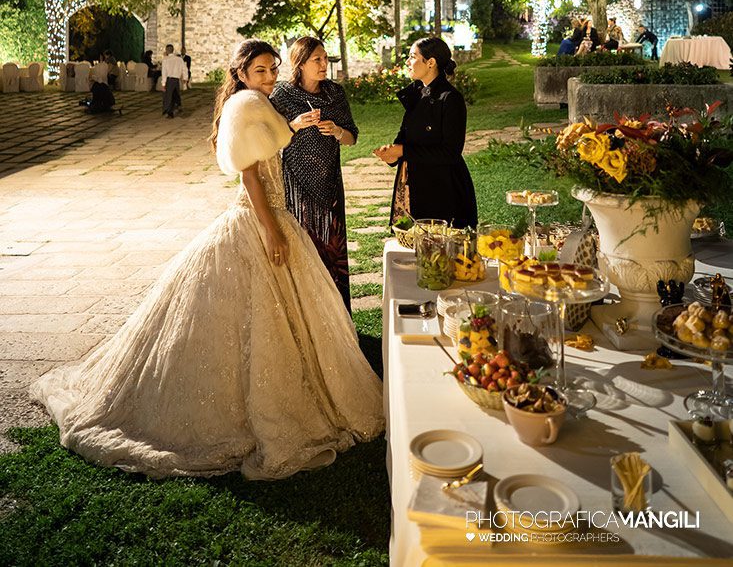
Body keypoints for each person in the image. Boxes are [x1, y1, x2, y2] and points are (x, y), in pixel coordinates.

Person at [30, 39, 384, 480]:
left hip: (277, 214)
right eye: (260, 71)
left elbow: (276, 144)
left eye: (273, 69)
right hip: (259, 218)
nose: (270, 77)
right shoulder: (245, 105)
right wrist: (272, 229)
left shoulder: (258, 101)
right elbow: (251, 174)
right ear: (240, 74)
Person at [270, 36, 358, 311]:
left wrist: (336, 131)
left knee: (332, 253)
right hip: (296, 187)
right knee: (303, 253)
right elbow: (271, 139)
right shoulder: (282, 96)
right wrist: (294, 125)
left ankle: (337, 319)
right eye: (317, 59)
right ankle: (306, 316)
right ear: (300, 63)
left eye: (325, 58)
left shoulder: (335, 94)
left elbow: (352, 138)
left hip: (330, 184)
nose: (324, 64)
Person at [375, 37, 478, 228]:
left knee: (440, 252)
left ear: (431, 63)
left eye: (413, 57)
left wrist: (403, 151)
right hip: (412, 185)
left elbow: (450, 153)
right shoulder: (416, 93)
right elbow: (405, 137)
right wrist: (391, 155)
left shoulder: (450, 99)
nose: (407, 62)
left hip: (443, 190)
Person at [161, 44, 187, 118]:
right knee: (175, 94)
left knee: (169, 96)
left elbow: (164, 72)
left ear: (167, 50)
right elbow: (184, 69)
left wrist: (163, 83)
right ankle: (177, 106)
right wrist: (185, 78)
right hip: (176, 79)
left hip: (169, 79)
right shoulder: (179, 59)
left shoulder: (165, 60)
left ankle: (170, 112)